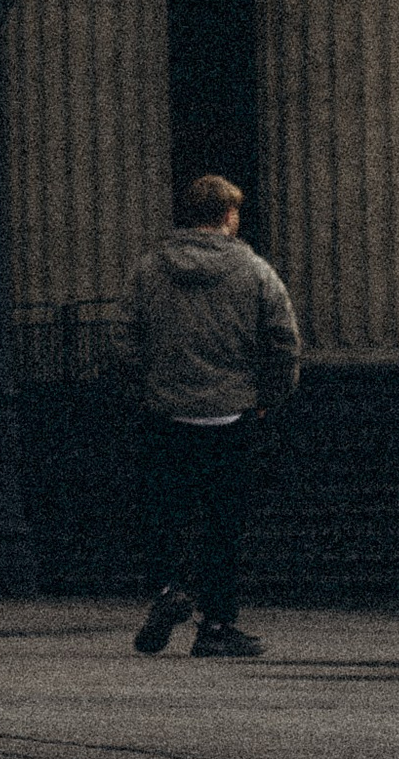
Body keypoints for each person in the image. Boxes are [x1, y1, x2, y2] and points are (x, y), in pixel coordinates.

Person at [127, 172, 301, 661]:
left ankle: (167, 590)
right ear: (229, 216)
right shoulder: (256, 271)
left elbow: (123, 340)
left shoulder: (149, 269)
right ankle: (217, 625)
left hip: (166, 415)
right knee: (223, 524)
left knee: (162, 513)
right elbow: (284, 342)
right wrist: (270, 395)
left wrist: (146, 389)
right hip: (231, 418)